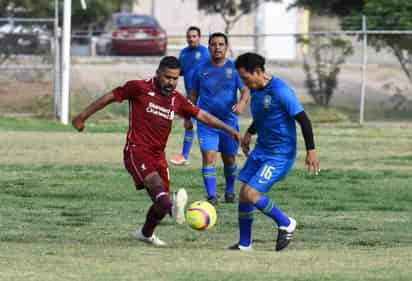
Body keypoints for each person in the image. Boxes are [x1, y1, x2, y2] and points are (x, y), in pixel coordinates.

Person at [72, 56, 241, 247]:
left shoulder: (177, 100)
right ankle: (175, 212)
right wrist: (82, 116)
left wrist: (229, 130)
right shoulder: (139, 88)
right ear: (158, 73)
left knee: (160, 202)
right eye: (167, 77)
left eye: (175, 79)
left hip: (159, 155)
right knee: (155, 184)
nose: (171, 82)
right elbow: (110, 97)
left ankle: (146, 233)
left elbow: (203, 115)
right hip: (136, 150)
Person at [229, 52, 320, 251]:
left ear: (259, 72)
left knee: (251, 193)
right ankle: (245, 244)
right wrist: (249, 133)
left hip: (279, 155)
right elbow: (264, 115)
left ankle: (286, 223)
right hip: (261, 150)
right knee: (244, 195)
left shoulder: (281, 90)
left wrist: (311, 150)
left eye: (245, 77)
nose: (244, 83)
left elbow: (303, 119)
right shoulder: (256, 89)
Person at [187, 32, 249, 205]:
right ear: (209, 48)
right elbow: (192, 97)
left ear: (226, 48)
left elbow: (245, 90)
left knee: (229, 159)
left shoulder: (234, 69)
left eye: (221, 44)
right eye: (214, 44)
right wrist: (188, 117)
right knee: (209, 156)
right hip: (206, 123)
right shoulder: (200, 69)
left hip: (229, 123)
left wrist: (243, 103)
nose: (217, 48)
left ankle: (230, 191)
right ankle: (212, 196)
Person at [171, 26, 210, 166]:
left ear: (199, 38)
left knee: (202, 124)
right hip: (190, 94)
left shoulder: (206, 53)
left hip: (204, 95)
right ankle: (184, 156)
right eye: (189, 36)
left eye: (194, 36)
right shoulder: (184, 53)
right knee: (189, 123)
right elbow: (180, 71)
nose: (191, 39)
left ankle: (191, 155)